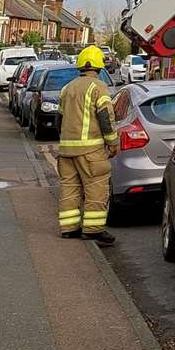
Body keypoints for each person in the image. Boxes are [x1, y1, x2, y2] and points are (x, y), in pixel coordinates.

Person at [57, 45, 118, 246]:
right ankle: (93, 230)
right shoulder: (98, 87)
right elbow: (106, 118)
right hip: (91, 151)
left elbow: (59, 119)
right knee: (96, 189)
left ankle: (69, 228)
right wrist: (112, 142)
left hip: (66, 151)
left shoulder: (67, 88)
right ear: (99, 67)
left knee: (70, 189)